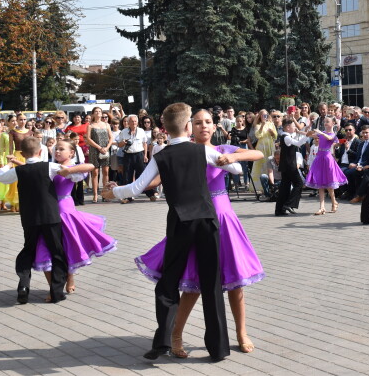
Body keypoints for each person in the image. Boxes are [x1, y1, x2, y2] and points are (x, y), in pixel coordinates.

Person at [103, 102, 230, 362]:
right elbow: (233, 168)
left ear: (165, 128)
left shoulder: (161, 155)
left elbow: (137, 187)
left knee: (168, 283)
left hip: (180, 223)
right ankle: (218, 349)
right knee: (211, 284)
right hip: (206, 221)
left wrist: (112, 192)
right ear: (188, 127)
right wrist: (231, 158)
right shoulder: (202, 150)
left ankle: (162, 341)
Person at [134, 109, 264, 357]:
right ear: (189, 127)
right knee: (193, 285)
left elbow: (258, 153)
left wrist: (232, 157)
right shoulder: (187, 152)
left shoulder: (223, 149)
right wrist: (130, 187)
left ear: (214, 127)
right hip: (196, 220)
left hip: (224, 220)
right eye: (197, 122)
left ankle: (241, 332)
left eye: (208, 122)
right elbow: (156, 179)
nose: (203, 126)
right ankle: (176, 334)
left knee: (235, 281)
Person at [0, 136, 80, 304]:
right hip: (50, 216)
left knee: (28, 250)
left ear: (22, 153)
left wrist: (10, 164)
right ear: (41, 151)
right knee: (57, 253)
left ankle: (23, 286)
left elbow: (0, 176)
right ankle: (57, 292)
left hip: (29, 218)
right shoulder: (49, 166)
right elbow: (69, 171)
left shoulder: (19, 170)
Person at [31, 140, 113, 297]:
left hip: (65, 211)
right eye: (56, 149)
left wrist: (68, 170)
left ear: (71, 153)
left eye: (61, 149)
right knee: (44, 247)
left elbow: (90, 166)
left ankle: (69, 277)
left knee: (68, 246)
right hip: (47, 211)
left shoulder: (72, 169)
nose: (57, 151)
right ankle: (54, 288)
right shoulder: (50, 166)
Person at [305, 116, 348, 215]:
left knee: (329, 185)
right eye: (325, 121)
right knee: (320, 183)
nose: (325, 123)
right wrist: (310, 132)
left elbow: (329, 138)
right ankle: (322, 207)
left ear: (333, 123)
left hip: (328, 159)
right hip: (319, 158)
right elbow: (308, 135)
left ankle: (334, 201)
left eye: (327, 121)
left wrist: (320, 133)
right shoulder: (322, 133)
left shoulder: (333, 134)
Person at [274, 120, 310, 216]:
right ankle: (289, 204)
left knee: (284, 187)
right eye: (293, 126)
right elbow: (298, 143)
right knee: (299, 183)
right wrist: (307, 135)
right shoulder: (286, 137)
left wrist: (303, 133)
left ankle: (279, 210)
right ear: (288, 127)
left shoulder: (286, 136)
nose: (295, 127)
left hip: (286, 165)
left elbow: (296, 135)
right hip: (290, 165)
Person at [115, 114, 149, 203]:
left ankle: (151, 193)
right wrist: (123, 143)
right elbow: (119, 145)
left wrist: (145, 155)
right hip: (128, 155)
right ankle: (127, 196)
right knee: (127, 176)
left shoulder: (141, 131)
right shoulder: (123, 132)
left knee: (143, 174)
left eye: (135, 121)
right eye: (132, 121)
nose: (134, 123)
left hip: (139, 154)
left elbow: (145, 143)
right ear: (128, 122)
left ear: (137, 122)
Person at [85, 106, 112, 203]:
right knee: (95, 172)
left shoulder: (106, 125)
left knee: (106, 171)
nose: (98, 113)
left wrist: (107, 148)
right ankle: (95, 194)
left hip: (105, 149)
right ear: (93, 114)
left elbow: (111, 138)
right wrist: (99, 147)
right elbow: (88, 139)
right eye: (96, 111)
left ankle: (105, 193)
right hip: (95, 150)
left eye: (99, 111)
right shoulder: (90, 125)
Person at [251, 110, 277, 194]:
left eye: (265, 115)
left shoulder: (271, 124)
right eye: (262, 115)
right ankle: (261, 187)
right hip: (262, 147)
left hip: (270, 145)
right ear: (259, 116)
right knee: (261, 165)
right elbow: (258, 135)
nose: (264, 117)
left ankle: (272, 185)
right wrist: (262, 125)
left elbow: (275, 136)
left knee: (271, 164)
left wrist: (272, 133)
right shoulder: (257, 125)